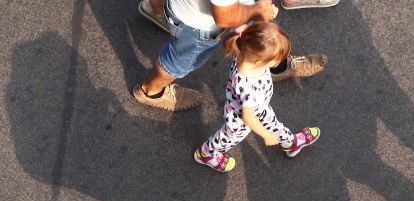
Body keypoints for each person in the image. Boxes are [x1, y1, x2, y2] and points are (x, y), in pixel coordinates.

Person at [132, 0, 329, 112]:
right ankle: (151, 91)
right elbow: (225, 17)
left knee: (259, 35)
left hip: (183, 7)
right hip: (197, 25)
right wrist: (259, 10)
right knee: (179, 62)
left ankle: (157, 10)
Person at [193, 22, 320, 172]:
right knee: (227, 137)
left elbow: (258, 34)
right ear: (260, 62)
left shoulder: (245, 49)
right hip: (241, 121)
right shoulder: (249, 87)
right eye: (277, 59)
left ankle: (290, 143)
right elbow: (249, 118)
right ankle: (206, 154)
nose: (280, 61)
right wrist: (266, 135)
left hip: (259, 108)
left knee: (274, 124)